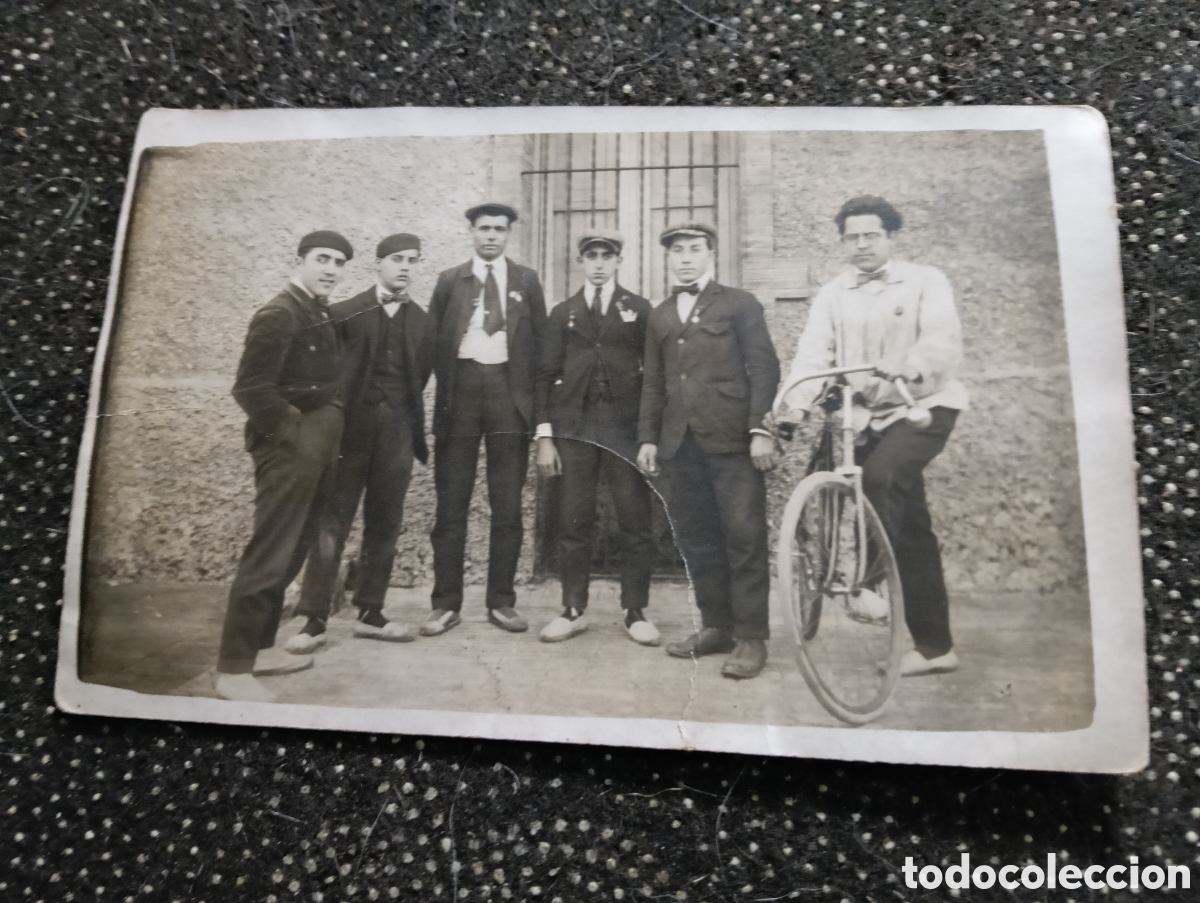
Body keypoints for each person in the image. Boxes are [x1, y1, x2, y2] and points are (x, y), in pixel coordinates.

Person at [775, 195, 968, 677]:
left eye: (871, 235)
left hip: (922, 405)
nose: (861, 245)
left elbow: (942, 339)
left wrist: (912, 365)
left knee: (881, 478)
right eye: (852, 237)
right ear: (843, 241)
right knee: (912, 527)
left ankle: (865, 582)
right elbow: (814, 356)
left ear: (890, 237)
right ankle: (935, 647)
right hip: (866, 416)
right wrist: (795, 405)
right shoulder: (834, 293)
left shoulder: (926, 280)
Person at [637, 223, 781, 680]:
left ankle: (752, 637)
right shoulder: (659, 315)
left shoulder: (739, 303)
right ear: (668, 258)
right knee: (697, 539)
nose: (684, 258)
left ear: (710, 254)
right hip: (680, 444)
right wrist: (648, 438)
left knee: (743, 536)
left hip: (733, 439)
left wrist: (761, 428)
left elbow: (764, 367)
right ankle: (717, 626)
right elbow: (653, 382)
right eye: (676, 251)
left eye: (693, 249)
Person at [214, 231, 352, 702]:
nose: (331, 269)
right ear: (300, 260)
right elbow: (251, 388)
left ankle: (261, 646)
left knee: (294, 548)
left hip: (317, 446)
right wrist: (292, 432)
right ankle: (232, 670)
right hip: (290, 448)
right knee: (271, 550)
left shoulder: (318, 309)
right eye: (322, 259)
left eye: (338, 262)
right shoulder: (279, 312)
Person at [286, 233, 433, 655]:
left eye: (414, 260)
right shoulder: (345, 313)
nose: (406, 267)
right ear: (379, 264)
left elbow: (417, 376)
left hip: (398, 434)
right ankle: (313, 618)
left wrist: (397, 419)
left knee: (385, 522)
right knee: (332, 521)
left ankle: (371, 611)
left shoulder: (423, 322)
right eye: (397, 259)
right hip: (349, 433)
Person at [425, 202, 548, 636]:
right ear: (471, 233)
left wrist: (540, 415)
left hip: (507, 395)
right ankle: (445, 603)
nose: (491, 236)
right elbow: (430, 346)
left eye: (499, 229)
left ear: (509, 234)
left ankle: (501, 601)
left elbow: (542, 350)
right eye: (484, 229)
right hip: (459, 394)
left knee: (507, 504)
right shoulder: (449, 281)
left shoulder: (526, 281)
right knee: (451, 504)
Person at [534, 230, 659, 645]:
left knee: (635, 520)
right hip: (575, 430)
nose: (600, 263)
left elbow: (654, 376)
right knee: (573, 518)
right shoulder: (563, 312)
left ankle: (635, 610)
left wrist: (647, 436)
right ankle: (572, 609)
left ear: (619, 261)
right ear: (582, 263)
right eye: (592, 256)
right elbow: (544, 374)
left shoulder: (638, 309)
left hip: (623, 432)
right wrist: (545, 437)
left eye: (608, 256)